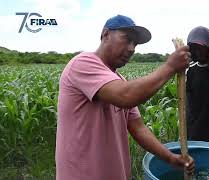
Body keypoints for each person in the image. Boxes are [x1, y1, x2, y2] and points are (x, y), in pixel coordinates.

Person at [56, 15, 195, 180]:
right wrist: (170, 66)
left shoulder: (119, 80)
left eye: (135, 44)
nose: (131, 48)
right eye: (127, 39)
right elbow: (126, 96)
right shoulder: (82, 64)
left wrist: (170, 158)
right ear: (105, 34)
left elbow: (138, 128)